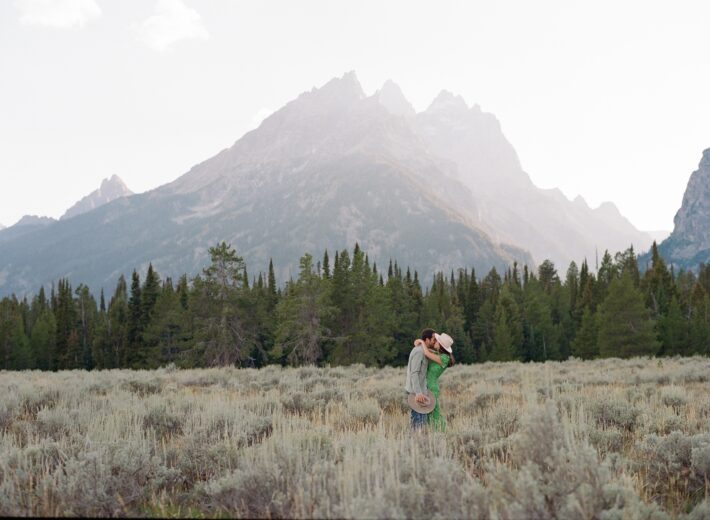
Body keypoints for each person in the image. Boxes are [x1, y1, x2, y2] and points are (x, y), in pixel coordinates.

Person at [416, 332, 454, 431]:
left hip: (431, 388)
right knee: (430, 415)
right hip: (428, 386)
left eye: (436, 341)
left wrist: (421, 341)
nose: (435, 342)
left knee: (435, 415)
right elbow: (428, 351)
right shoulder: (439, 354)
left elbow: (427, 353)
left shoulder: (444, 358)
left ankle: (442, 434)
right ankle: (436, 436)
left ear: (440, 345)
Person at [405, 328, 437, 430]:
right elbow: (414, 373)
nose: (434, 341)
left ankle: (417, 443)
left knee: (421, 423)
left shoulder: (423, 350)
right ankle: (415, 444)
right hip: (416, 394)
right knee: (418, 424)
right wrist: (418, 393)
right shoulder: (419, 352)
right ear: (427, 340)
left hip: (420, 392)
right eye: (433, 339)